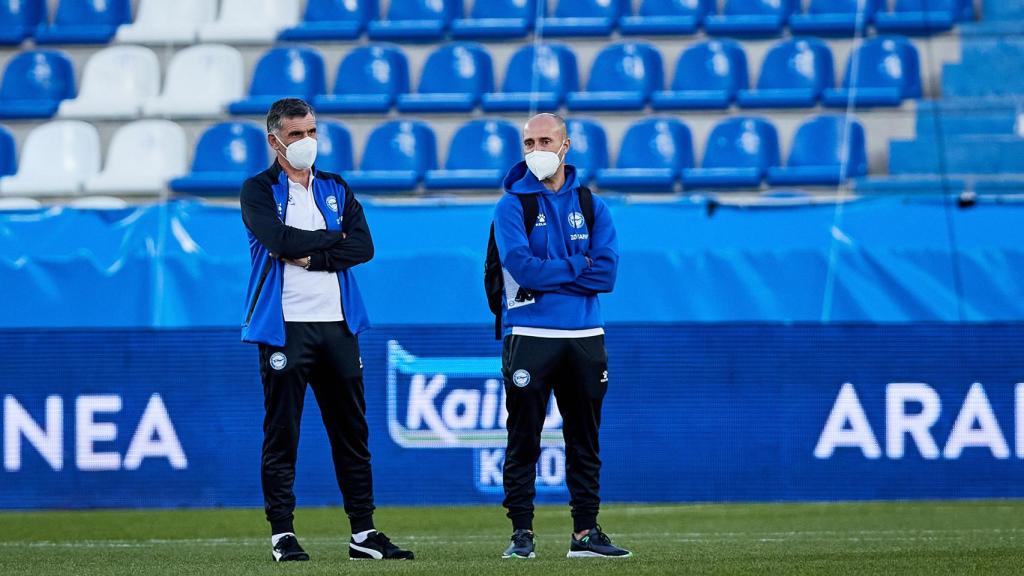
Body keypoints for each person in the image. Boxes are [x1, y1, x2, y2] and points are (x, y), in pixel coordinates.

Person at [239, 98, 413, 562]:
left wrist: (314, 255)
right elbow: (278, 241)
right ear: (274, 140)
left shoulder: (335, 186)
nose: (306, 142)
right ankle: (282, 534)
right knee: (283, 434)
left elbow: (364, 246)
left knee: (351, 433)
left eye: (312, 132)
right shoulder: (257, 190)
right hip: (284, 328)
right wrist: (333, 241)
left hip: (338, 326)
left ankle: (363, 532)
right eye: (296, 135)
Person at [492, 113, 631, 559]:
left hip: (586, 335)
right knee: (524, 438)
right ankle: (521, 536)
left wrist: (553, 274)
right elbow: (521, 269)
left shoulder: (592, 205)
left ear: (565, 146)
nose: (536, 151)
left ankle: (585, 534)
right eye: (529, 143)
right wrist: (578, 265)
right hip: (530, 334)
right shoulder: (511, 205)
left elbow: (607, 274)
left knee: (585, 440)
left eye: (544, 141)